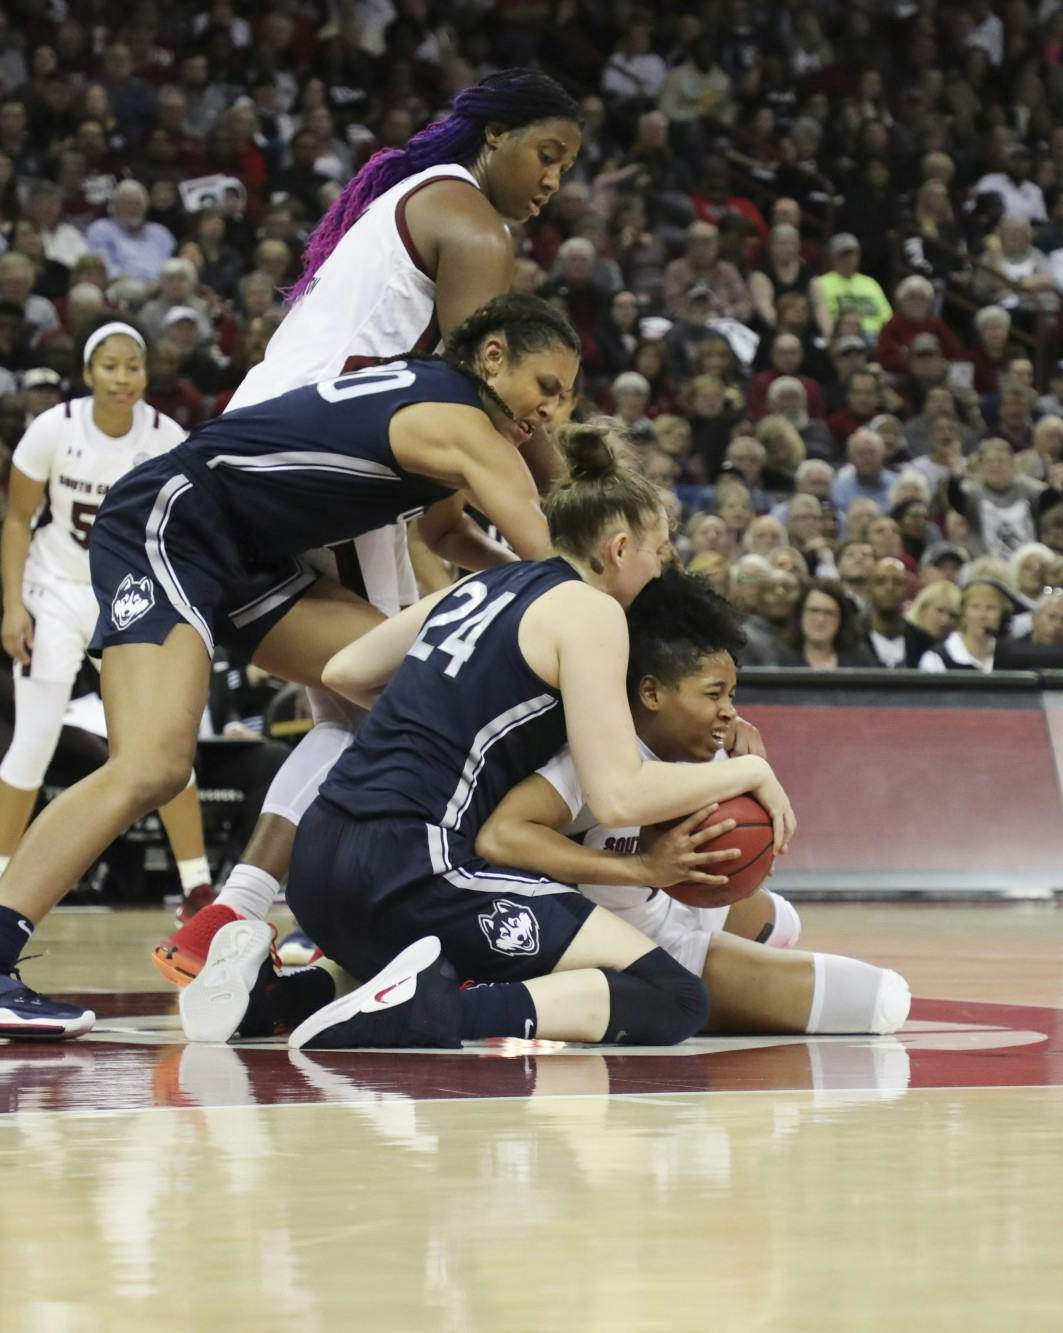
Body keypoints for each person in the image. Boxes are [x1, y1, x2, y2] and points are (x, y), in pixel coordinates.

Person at [0, 297, 576, 1038]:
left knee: (412, 698)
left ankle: (290, 920)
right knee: (153, 765)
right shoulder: (467, 426)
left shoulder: (446, 412)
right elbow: (556, 558)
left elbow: (452, 533)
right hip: (175, 518)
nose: (553, 411)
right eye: (546, 386)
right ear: (491, 359)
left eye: (569, 397)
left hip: (250, 556)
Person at [153, 70, 584, 979]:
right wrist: (586, 496)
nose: (553, 180)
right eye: (546, 153)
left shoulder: (409, 199)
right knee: (410, 703)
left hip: (279, 448)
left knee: (359, 711)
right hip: (326, 459)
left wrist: (468, 537)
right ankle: (321, 914)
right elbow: (486, 395)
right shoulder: (472, 226)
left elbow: (442, 459)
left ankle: (241, 919)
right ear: (495, 135)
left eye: (567, 167)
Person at [179, 430, 796, 1050]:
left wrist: (441, 719)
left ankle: (272, 997)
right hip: (413, 863)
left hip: (316, 868)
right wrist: (751, 775)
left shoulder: (479, 586)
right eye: (660, 552)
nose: (664, 569)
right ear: (618, 547)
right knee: (674, 998)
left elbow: (346, 671)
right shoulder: (591, 610)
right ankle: (439, 1012)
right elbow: (618, 796)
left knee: (430, 950)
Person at [472, 569, 907, 1034]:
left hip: (678, 903)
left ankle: (736, 975)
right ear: (651, 692)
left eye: (733, 694)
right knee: (885, 1002)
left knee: (784, 922)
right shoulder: (595, 761)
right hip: (633, 943)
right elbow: (500, 836)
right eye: (714, 694)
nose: (730, 710)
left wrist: (747, 850)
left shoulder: (713, 746)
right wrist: (643, 867)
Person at [0, 323, 215, 919]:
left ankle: (197, 885)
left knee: (158, 742)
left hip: (124, 595)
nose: (123, 377)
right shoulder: (53, 428)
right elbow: (18, 521)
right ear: (88, 372)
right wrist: (12, 605)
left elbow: (184, 530)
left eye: (133, 365)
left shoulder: (166, 436)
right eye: (110, 366)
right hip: (54, 590)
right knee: (33, 738)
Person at [921, 579, 1007, 672]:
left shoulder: (1011, 656)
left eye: (990, 608)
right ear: (963, 614)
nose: (982, 615)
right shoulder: (936, 659)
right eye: (975, 607)